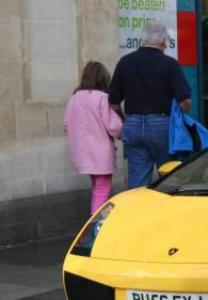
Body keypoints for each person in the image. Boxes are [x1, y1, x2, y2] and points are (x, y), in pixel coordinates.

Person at [109, 21, 192, 189]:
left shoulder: (125, 62)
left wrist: (127, 120)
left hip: (132, 124)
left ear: (143, 39)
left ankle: (138, 213)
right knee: (169, 176)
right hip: (161, 124)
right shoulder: (170, 64)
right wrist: (178, 117)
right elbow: (185, 101)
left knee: (137, 181)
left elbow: (113, 103)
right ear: (164, 41)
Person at [65, 62, 123, 214]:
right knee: (102, 189)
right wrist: (124, 133)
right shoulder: (102, 98)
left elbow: (67, 124)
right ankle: (96, 224)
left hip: (83, 151)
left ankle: (95, 220)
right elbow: (114, 126)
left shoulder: (75, 98)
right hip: (100, 152)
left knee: (97, 187)